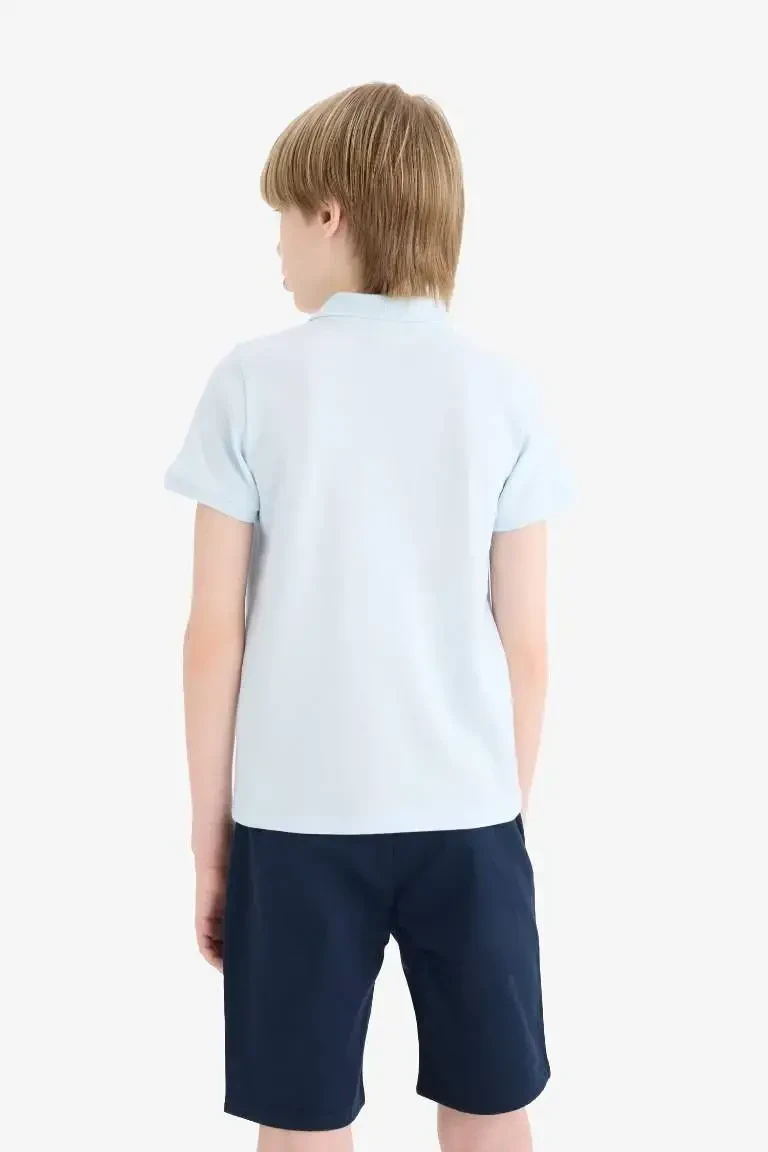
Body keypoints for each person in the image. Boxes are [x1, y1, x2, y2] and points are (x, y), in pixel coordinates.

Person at [165, 81, 573, 1152]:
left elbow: (213, 638)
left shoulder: (251, 382)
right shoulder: (503, 392)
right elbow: (528, 646)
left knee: (302, 1117)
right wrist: (497, 810)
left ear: (331, 212)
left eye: (283, 217)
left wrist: (213, 844)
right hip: (468, 813)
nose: (277, 247)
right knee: (491, 1104)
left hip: (294, 820)